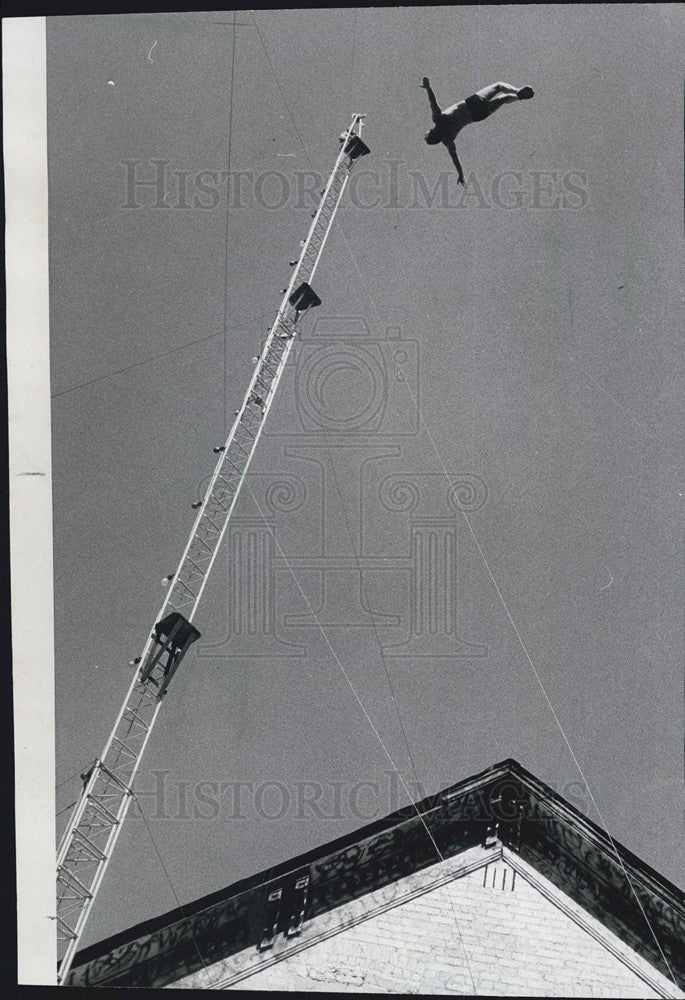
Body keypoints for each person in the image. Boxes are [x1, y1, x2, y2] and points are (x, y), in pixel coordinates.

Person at [421, 78, 534, 184]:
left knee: (503, 99)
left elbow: (454, 157)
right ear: (431, 132)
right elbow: (433, 103)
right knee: (499, 86)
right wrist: (428, 88)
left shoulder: (448, 140)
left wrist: (461, 174)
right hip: (472, 103)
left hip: (477, 115)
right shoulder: (438, 119)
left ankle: (518, 97)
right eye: (427, 133)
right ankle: (517, 91)